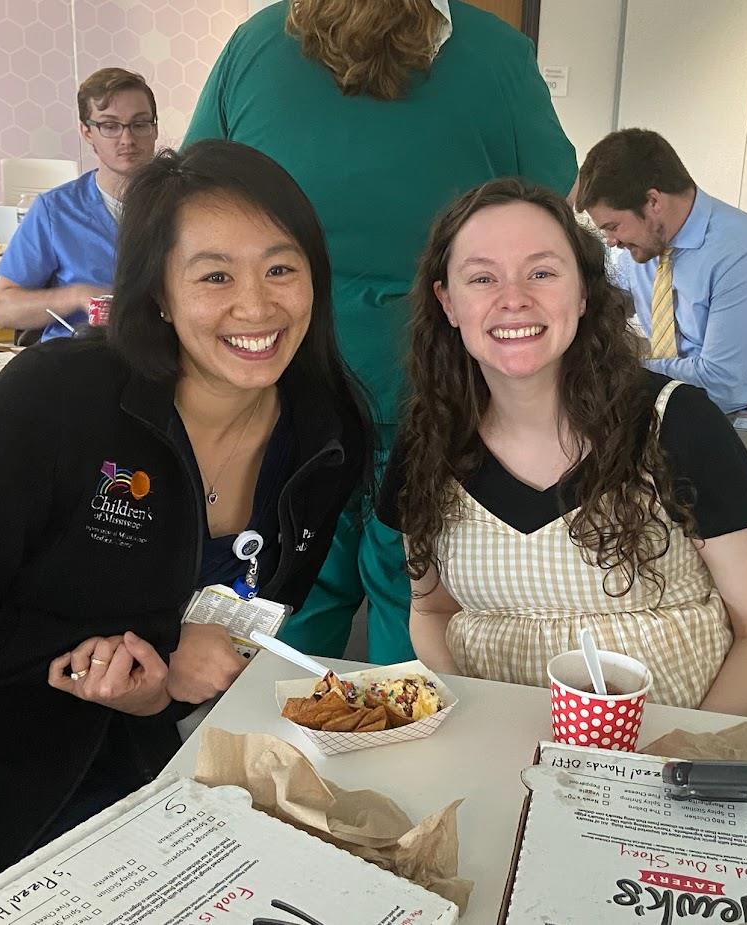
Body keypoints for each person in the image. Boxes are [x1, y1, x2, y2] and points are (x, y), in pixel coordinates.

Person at [0, 140, 370, 920]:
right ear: (158, 291)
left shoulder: (329, 433)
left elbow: (242, 626)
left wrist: (158, 687)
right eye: (215, 274)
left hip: (122, 775)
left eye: (281, 268)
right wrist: (161, 646)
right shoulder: (55, 399)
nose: (256, 306)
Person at [183, 0, 576, 664]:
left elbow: (194, 201)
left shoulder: (254, 47)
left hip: (289, 370)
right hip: (434, 376)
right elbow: (544, 201)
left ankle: (283, 750)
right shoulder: (497, 55)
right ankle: (406, 746)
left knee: (291, 591)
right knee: (417, 595)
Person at [377, 177, 747, 724]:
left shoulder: (675, 424)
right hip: (508, 752)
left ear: (584, 292)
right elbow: (433, 608)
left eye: (542, 272)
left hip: (696, 753)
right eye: (482, 278)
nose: (513, 299)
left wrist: (670, 761)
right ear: (447, 301)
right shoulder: (426, 443)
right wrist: (480, 723)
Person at [576, 129, 747, 500]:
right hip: (665, 411)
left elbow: (718, 381)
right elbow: (601, 306)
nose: (611, 241)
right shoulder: (638, 248)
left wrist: (626, 363)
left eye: (612, 226)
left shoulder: (743, 253)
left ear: (653, 202)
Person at [0, 67, 159, 342]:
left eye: (139, 124)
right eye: (110, 126)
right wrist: (76, 296)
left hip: (164, 359)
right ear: (87, 132)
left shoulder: (182, 207)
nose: (127, 139)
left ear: (155, 128)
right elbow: (4, 310)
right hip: (78, 358)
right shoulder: (55, 211)